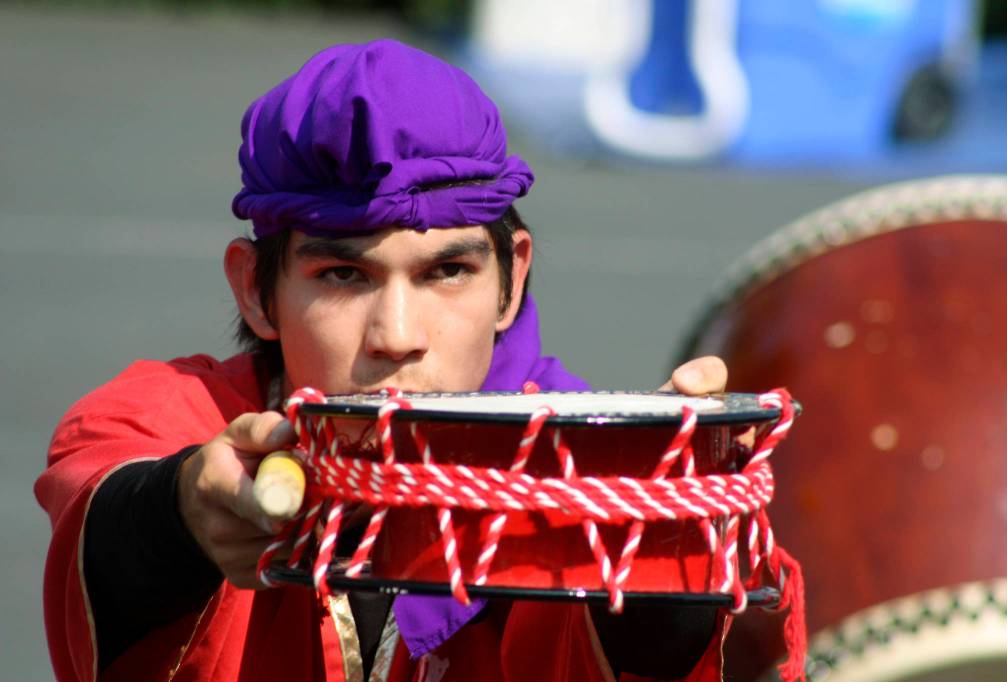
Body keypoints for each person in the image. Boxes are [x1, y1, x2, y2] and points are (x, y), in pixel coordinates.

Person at [36, 40, 732, 682]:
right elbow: (116, 505)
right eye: (343, 275)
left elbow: (695, 650)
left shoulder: (591, 467)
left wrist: (670, 517)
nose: (397, 337)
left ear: (511, 281)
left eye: (448, 271)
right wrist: (182, 512)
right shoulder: (176, 417)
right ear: (255, 290)